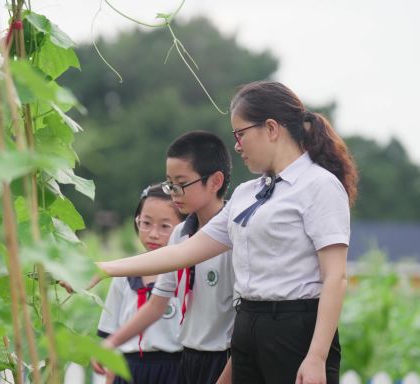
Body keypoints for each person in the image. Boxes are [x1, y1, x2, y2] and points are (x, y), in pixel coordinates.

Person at [96, 81, 358, 384]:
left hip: (294, 328)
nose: (236, 145)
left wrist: (316, 356)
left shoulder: (319, 186)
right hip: (247, 325)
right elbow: (182, 252)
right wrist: (105, 269)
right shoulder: (248, 194)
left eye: (240, 134)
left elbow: (335, 278)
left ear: (271, 129)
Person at [95, 131, 235, 384]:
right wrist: (112, 342)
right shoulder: (181, 233)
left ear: (215, 181)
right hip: (188, 360)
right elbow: (157, 304)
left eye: (181, 183)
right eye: (169, 183)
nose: (173, 192)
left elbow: (245, 323)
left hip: (223, 360)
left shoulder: (235, 235)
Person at [96, 183, 186, 384]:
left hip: (172, 369)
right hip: (128, 369)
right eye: (146, 223)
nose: (153, 234)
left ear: (182, 228)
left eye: (165, 226)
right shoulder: (123, 274)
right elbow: (110, 332)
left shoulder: (185, 275)